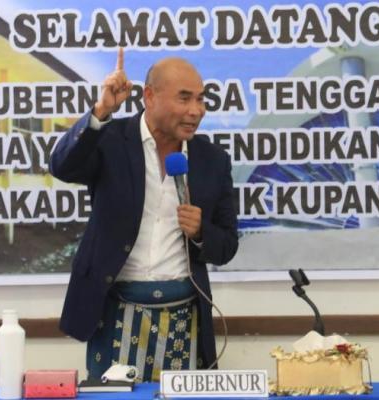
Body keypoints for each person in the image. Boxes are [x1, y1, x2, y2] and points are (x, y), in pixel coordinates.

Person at [49, 48, 238, 382]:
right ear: (149, 97)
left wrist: (201, 232)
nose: (195, 111)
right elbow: (63, 167)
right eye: (184, 98)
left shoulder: (212, 160)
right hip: (116, 315)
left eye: (200, 99)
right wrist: (102, 110)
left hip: (184, 318)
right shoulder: (110, 140)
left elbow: (227, 245)